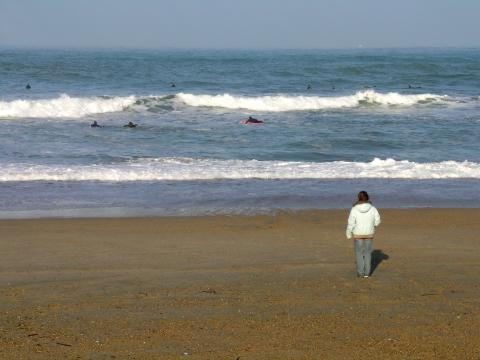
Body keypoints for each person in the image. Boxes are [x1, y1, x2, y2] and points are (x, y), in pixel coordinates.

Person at [346, 191, 381, 278]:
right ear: (367, 197)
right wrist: (372, 225)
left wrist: (348, 232)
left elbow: (351, 223)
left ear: (359, 198)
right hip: (369, 234)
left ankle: (360, 273)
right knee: (368, 253)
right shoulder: (373, 208)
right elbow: (377, 221)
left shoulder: (354, 209)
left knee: (359, 253)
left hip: (358, 234)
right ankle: (367, 274)